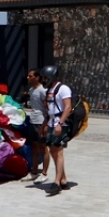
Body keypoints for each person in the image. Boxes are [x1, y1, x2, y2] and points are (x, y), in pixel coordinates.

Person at [42, 65, 73, 194]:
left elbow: (68, 107)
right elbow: (48, 109)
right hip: (51, 122)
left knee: (58, 151)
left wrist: (60, 123)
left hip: (60, 123)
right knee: (53, 150)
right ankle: (63, 179)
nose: (44, 80)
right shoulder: (49, 89)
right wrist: (45, 124)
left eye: (46, 78)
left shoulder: (63, 89)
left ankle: (56, 182)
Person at [25, 69, 48, 182]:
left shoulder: (42, 91)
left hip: (41, 122)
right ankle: (34, 171)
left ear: (37, 77)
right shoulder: (31, 90)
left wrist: (45, 124)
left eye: (30, 76)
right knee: (34, 147)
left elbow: (47, 108)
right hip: (33, 121)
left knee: (43, 148)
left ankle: (44, 173)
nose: (28, 78)